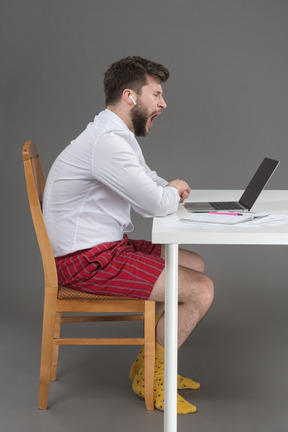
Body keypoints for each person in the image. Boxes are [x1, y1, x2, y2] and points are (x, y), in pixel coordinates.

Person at [43, 56, 214, 414]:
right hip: (88, 261)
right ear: (130, 96)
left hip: (104, 249)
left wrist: (166, 188)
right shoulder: (108, 140)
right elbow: (153, 203)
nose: (163, 103)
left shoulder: (115, 135)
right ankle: (153, 378)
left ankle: (149, 363)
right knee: (201, 289)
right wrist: (173, 188)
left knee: (193, 262)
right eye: (156, 94)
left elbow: (148, 180)